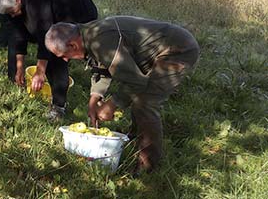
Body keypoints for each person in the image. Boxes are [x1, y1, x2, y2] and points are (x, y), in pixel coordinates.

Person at [45, 17, 200, 172]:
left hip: (178, 50)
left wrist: (113, 104)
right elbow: (104, 65)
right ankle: (134, 140)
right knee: (139, 97)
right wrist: (94, 98)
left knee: (145, 103)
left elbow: (135, 82)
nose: (65, 60)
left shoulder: (101, 40)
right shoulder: (87, 34)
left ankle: (148, 166)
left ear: (73, 44)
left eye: (64, 55)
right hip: (157, 51)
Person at [0, 0, 98, 120]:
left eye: (12, 12)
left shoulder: (37, 2)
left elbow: (45, 37)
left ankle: (59, 107)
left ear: (18, 0)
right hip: (55, 21)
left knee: (56, 56)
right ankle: (57, 100)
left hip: (81, 14)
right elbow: (19, 35)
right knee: (48, 54)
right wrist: (19, 67)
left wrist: (40, 72)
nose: (11, 15)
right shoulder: (13, 3)